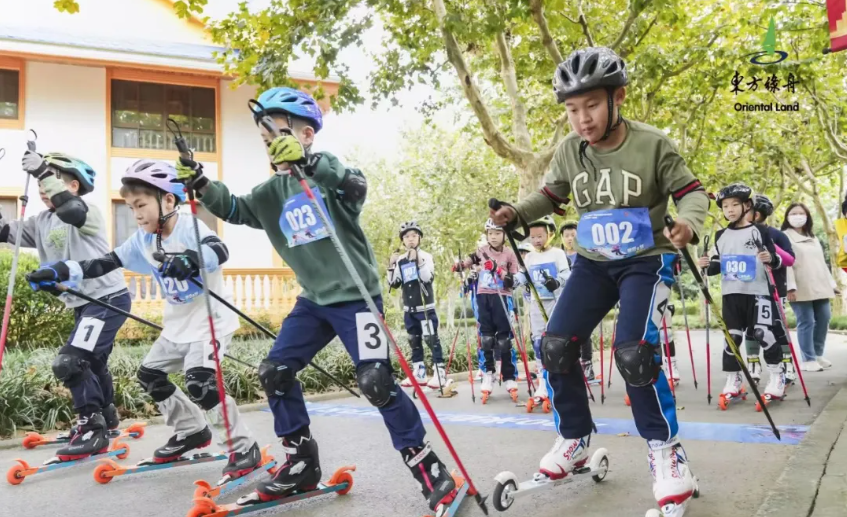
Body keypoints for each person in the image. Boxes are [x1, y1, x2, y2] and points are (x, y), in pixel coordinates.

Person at [173, 87, 459, 513]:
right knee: (274, 372)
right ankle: (301, 463)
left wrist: (310, 165)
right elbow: (232, 207)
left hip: (357, 298)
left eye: (280, 134)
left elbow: (354, 185)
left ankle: (429, 469)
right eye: (266, 139)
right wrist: (199, 181)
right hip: (314, 302)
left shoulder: (328, 178)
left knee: (376, 382)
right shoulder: (269, 194)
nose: (271, 144)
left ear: (307, 135)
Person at [489, 46, 708, 515]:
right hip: (592, 263)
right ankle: (574, 438)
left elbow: (692, 193)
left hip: (645, 260)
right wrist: (515, 213)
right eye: (572, 109)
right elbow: (551, 197)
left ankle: (666, 450)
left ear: (618, 97)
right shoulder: (571, 150)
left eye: (591, 105)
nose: (582, 119)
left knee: (634, 353)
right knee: (555, 345)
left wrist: (689, 223)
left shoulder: (653, 144)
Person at [28, 160, 262, 478]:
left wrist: (191, 259)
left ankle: (243, 447)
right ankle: (192, 430)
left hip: (211, 322)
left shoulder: (189, 227)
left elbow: (219, 250)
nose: (136, 215)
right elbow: (104, 263)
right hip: (178, 324)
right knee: (150, 376)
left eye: (141, 205)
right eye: (130, 208)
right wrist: (60, 271)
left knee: (200, 382)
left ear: (168, 200)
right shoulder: (143, 238)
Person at [13, 151, 130, 462]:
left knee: (71, 362)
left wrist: (41, 171)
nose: (43, 188)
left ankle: (92, 428)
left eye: (50, 181)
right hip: (84, 304)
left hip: (107, 299)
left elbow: (71, 211)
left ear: (74, 185)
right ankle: (106, 415)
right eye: (41, 182)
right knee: (93, 361)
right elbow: (2, 232)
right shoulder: (41, 221)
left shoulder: (87, 212)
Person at [698, 184, 788, 411]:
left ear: (747, 206)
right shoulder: (721, 235)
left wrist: (770, 258)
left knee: (762, 333)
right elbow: (717, 266)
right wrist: (705, 264)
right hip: (732, 294)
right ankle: (734, 379)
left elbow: (777, 260)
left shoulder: (760, 231)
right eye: (725, 206)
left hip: (758, 292)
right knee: (732, 338)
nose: (729, 210)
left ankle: (777, 376)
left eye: (735, 205)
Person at [453, 219, 522, 403]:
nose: (493, 237)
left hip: (502, 297)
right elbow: (468, 261)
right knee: (486, 339)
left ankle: (509, 377)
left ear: (505, 235)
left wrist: (498, 270)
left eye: (497, 233)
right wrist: (460, 266)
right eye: (490, 233)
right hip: (483, 297)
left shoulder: (510, 254)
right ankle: (488, 374)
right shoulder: (481, 251)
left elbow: (513, 281)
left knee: (504, 340)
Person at [517, 216, 571, 407]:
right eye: (532, 237)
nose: (536, 240)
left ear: (550, 234)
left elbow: (566, 274)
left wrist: (557, 282)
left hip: (555, 302)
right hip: (536, 303)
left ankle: (561, 379)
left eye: (540, 236)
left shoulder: (557, 254)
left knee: (555, 342)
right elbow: (523, 276)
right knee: (538, 342)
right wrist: (512, 280)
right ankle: (543, 381)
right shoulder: (530, 257)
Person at [388, 221, 447, 390]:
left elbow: (427, 278)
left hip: (425, 308)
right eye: (407, 237)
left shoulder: (426, 256)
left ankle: (439, 372)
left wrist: (418, 261)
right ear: (403, 240)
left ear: (420, 238)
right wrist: (391, 266)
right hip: (409, 309)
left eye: (414, 236)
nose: (411, 239)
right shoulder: (401, 259)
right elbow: (394, 284)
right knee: (413, 340)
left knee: (430, 339)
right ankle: (419, 372)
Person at [744, 194, 796, 384]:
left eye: (747, 210)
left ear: (758, 214)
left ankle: (787, 364)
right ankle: (753, 364)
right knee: (751, 328)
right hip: (748, 288)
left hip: (774, 288)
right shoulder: (739, 233)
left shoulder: (777, 235)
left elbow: (790, 260)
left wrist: (770, 246)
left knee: (776, 326)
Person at [782, 202, 837, 372]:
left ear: (807, 217)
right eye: (793, 213)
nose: (798, 216)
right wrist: (790, 287)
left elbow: (821, 263)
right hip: (799, 285)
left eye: (801, 213)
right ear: (787, 217)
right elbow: (785, 264)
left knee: (824, 318)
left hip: (819, 284)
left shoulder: (812, 237)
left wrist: (832, 284)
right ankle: (808, 359)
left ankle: (818, 354)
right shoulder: (784, 236)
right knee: (806, 321)